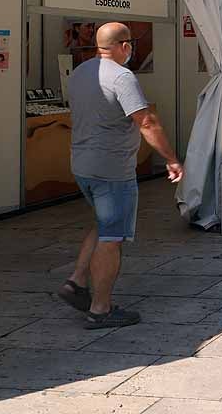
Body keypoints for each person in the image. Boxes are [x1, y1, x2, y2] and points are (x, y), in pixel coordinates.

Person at [58, 22, 183, 329]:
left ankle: (75, 282)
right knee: (112, 237)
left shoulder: (81, 72)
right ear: (124, 46)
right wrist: (171, 159)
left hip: (83, 163)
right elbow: (147, 122)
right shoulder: (122, 76)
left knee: (102, 223)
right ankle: (100, 309)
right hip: (112, 168)